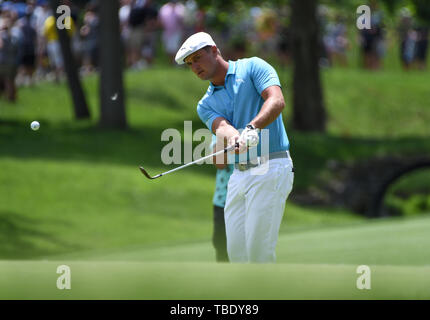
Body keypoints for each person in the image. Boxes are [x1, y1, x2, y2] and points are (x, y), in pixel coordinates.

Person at [175, 32, 294, 263]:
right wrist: (234, 138)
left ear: (214, 50)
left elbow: (276, 100)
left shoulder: (253, 67)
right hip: (239, 175)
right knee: (236, 255)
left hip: (271, 166)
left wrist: (253, 127)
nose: (195, 66)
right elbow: (222, 127)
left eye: (198, 58)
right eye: (190, 64)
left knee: (258, 252)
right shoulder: (205, 104)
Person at [211, 135, 233, 263]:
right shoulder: (220, 130)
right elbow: (220, 163)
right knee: (221, 244)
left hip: (250, 197)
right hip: (223, 200)